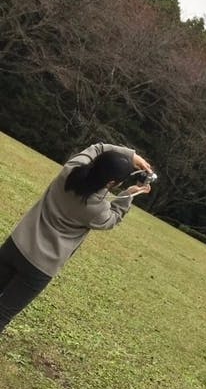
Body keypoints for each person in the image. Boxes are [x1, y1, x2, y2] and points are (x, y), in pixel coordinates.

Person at [0, 142, 153, 332]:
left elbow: (98, 148)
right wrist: (129, 195)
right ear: (112, 183)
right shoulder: (97, 209)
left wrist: (130, 156)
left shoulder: (70, 170)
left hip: (16, 244)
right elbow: (113, 218)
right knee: (3, 313)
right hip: (41, 267)